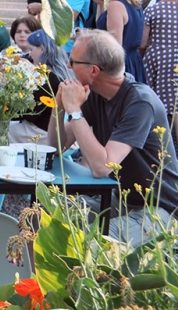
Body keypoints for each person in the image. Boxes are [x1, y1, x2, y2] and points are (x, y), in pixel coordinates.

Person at [51, 30, 178, 246]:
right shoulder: (95, 95)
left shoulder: (140, 102)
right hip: (122, 199)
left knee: (97, 243)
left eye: (72, 60)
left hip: (160, 210)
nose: (68, 66)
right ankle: (33, 280)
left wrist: (74, 110)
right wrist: (59, 107)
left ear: (93, 70)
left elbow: (102, 166)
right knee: (48, 213)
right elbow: (56, 147)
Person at [14, 29, 75, 143]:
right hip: (46, 128)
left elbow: (29, 113)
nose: (30, 54)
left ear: (42, 49)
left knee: (1, 129)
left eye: (31, 49)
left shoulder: (50, 78)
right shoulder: (59, 73)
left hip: (42, 132)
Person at [95, 0, 146, 81]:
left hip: (120, 66)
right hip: (134, 62)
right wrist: (100, 4)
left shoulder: (115, 6)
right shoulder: (134, 5)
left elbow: (114, 46)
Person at [143, 0, 178, 122]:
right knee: (176, 106)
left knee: (156, 105)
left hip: (158, 60)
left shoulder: (153, 10)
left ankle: (162, 143)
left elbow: (142, 43)